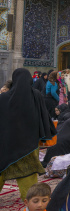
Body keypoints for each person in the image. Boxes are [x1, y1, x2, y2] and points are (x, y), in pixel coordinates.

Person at [0, 68, 56, 199]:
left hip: (7, 145)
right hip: (29, 145)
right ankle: (33, 200)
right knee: (28, 173)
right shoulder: (35, 95)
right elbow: (43, 117)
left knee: (2, 167)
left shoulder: (3, 98)